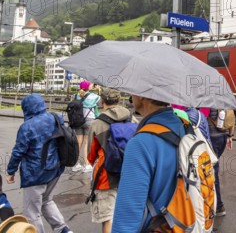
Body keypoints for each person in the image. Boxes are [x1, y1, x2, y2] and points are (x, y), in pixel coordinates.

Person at [112, 95, 185, 232]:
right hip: (186, 224)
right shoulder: (185, 127)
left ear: (141, 96)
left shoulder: (141, 142)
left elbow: (127, 218)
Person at [5, 94, 73, 233]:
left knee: (32, 211)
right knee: (47, 200)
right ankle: (63, 229)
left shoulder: (27, 127)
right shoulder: (55, 117)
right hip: (55, 168)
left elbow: (18, 151)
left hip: (35, 173)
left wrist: (11, 171)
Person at [87, 88, 131, 233]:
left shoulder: (97, 123)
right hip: (128, 174)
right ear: (119, 100)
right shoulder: (131, 118)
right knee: (125, 216)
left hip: (105, 177)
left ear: (102, 101)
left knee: (108, 218)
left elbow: (90, 156)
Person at [207, 108, 235, 217]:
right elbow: (232, 118)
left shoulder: (205, 98)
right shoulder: (223, 98)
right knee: (213, 169)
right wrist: (230, 136)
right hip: (223, 137)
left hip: (212, 139)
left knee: (212, 171)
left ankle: (218, 206)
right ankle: (216, 204)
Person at [73, 80, 100, 173]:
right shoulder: (94, 96)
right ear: (89, 87)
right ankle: (86, 164)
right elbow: (101, 101)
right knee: (86, 143)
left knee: (78, 143)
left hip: (78, 120)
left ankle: (75, 164)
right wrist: (98, 89)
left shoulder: (76, 95)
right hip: (89, 120)